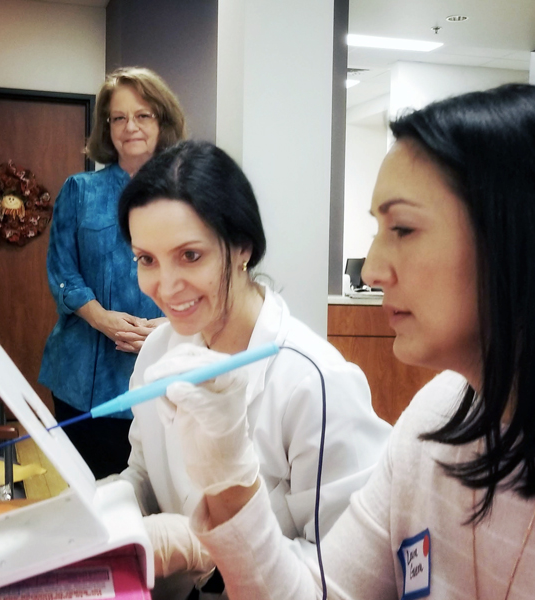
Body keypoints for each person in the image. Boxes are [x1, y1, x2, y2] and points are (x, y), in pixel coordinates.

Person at [151, 85, 535, 599]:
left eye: (403, 230)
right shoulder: (436, 420)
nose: (372, 268)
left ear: (521, 237)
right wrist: (229, 479)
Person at [115, 140, 391, 599]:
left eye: (190, 256)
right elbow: (144, 472)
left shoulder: (315, 382)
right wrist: (99, 510)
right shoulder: (158, 351)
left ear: (241, 246)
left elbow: (351, 576)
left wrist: (204, 545)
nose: (164, 286)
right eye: (146, 259)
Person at [39, 67, 186, 479]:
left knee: (154, 494)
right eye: (118, 118)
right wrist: (100, 318)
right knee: (88, 490)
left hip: (163, 369)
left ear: (163, 121)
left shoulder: (190, 195)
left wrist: (168, 327)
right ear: (107, 128)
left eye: (143, 115)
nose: (130, 127)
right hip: (80, 376)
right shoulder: (79, 190)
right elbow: (62, 269)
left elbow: (208, 275)